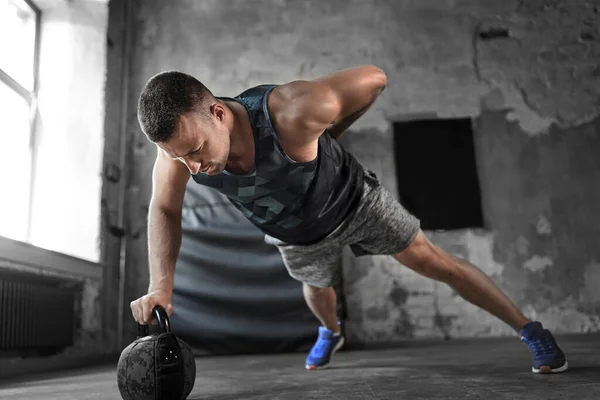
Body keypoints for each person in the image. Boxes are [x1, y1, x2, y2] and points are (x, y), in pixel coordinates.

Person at [129, 65, 567, 374]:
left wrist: (332, 128)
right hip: (295, 236)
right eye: (178, 157)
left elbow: (375, 78)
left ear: (219, 114)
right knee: (318, 293)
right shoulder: (178, 153)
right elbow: (165, 209)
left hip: (355, 201)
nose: (192, 166)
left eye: (197, 150)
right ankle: (331, 332)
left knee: (436, 262)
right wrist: (160, 287)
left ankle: (531, 331)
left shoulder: (294, 111)